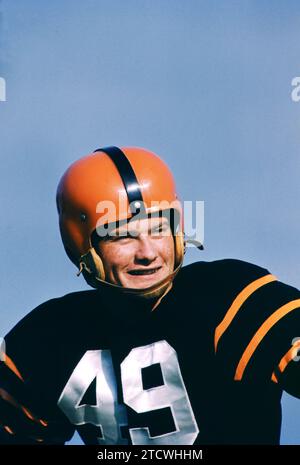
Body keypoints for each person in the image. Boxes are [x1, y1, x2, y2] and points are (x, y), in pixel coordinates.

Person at [0, 146, 300, 445]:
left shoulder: (227, 296)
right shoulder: (48, 337)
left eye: (158, 229)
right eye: (122, 235)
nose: (147, 252)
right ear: (83, 248)